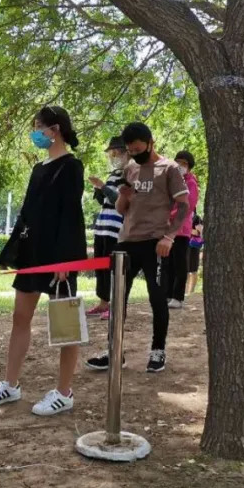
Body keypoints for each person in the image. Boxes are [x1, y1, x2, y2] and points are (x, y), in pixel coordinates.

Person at [0, 106, 86, 416]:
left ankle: (64, 392)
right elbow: (26, 214)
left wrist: (67, 260)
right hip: (33, 255)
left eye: (39, 127)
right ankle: (10, 384)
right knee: (20, 317)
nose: (35, 133)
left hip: (60, 258)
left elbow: (72, 215)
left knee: (66, 324)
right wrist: (10, 253)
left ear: (55, 129)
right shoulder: (39, 168)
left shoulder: (72, 166)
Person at [85, 122, 188, 373]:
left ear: (151, 143)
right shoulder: (130, 169)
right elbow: (122, 209)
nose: (134, 154)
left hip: (155, 243)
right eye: (130, 151)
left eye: (138, 150)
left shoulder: (169, 168)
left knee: (157, 298)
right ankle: (114, 350)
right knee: (117, 299)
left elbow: (184, 205)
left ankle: (158, 350)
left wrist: (169, 237)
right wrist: (124, 196)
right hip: (126, 242)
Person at [87, 136, 128, 318]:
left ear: (126, 153)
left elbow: (119, 201)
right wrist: (98, 190)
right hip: (102, 227)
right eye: (111, 154)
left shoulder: (129, 175)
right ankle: (103, 303)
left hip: (116, 229)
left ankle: (115, 305)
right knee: (100, 267)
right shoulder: (113, 174)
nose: (113, 157)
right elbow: (105, 201)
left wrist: (103, 187)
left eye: (115, 153)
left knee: (113, 269)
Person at [161, 150, 200, 309]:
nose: (180, 165)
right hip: (167, 228)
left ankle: (178, 296)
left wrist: (170, 215)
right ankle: (167, 294)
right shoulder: (171, 180)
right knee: (167, 263)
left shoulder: (191, 183)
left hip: (181, 229)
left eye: (184, 163)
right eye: (178, 162)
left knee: (179, 264)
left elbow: (188, 205)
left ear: (189, 166)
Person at [186, 215, 204, 296]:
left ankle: (191, 292)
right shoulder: (180, 215)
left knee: (193, 269)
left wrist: (186, 230)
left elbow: (198, 232)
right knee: (184, 269)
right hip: (183, 245)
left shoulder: (196, 218)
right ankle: (184, 291)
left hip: (193, 245)